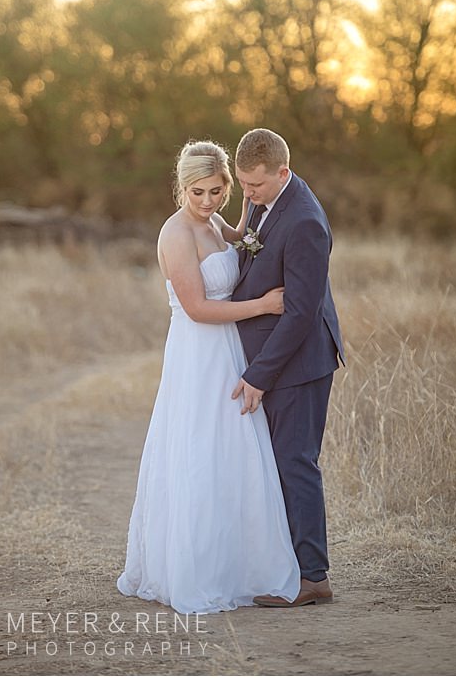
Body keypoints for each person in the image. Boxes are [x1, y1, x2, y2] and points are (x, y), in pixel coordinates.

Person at [118, 140, 300, 614]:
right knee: (200, 449)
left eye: (217, 191)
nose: (206, 202)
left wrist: (246, 207)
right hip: (197, 354)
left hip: (229, 350)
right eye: (197, 192)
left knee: (236, 448)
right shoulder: (175, 235)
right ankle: (196, 567)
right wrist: (263, 305)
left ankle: (243, 564)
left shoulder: (215, 219)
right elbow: (197, 308)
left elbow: (238, 238)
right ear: (182, 187)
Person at [228, 127, 345, 608]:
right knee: (276, 464)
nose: (248, 196)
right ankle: (286, 565)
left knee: (295, 464)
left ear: (283, 171)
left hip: (299, 363)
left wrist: (259, 375)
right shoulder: (266, 201)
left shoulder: (304, 223)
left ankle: (313, 578)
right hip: (275, 356)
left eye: (254, 186)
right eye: (244, 185)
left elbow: (300, 313)